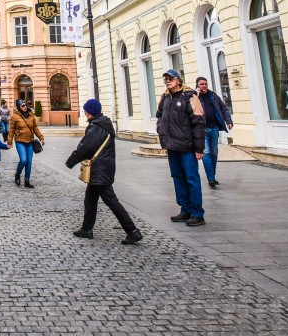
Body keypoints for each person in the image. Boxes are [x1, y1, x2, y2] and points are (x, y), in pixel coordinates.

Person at [65, 99, 142, 245]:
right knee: (90, 199)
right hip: (104, 167)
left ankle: (132, 231)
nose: (85, 112)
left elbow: (84, 147)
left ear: (90, 112)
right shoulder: (104, 124)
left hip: (99, 169)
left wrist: (70, 161)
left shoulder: (96, 127)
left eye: (86, 110)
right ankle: (86, 229)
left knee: (111, 201)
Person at [156, 68, 206, 226]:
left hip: (187, 146)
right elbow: (159, 115)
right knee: (177, 178)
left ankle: (197, 212)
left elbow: (198, 122)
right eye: (166, 79)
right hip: (171, 146)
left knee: (191, 178)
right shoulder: (165, 97)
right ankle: (185, 209)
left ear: (178, 80)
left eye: (170, 78)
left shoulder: (189, 96)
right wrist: (160, 129)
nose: (167, 81)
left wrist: (199, 148)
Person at [195, 76, 233, 189]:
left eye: (205, 84)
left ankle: (212, 176)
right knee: (206, 152)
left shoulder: (213, 95)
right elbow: (190, 108)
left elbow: (223, 108)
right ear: (197, 85)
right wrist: (196, 95)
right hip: (202, 130)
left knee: (214, 153)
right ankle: (211, 178)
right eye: (201, 84)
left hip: (214, 128)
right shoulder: (193, 96)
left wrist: (229, 121)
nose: (204, 86)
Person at [6, 98, 44, 187]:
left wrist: (41, 137)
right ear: (19, 107)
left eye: (25, 105)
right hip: (20, 141)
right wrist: (9, 141)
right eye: (22, 105)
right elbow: (11, 130)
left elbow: (35, 128)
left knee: (29, 162)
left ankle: (27, 180)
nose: (25, 107)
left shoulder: (31, 115)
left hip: (30, 141)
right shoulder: (14, 117)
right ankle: (18, 174)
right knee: (23, 160)